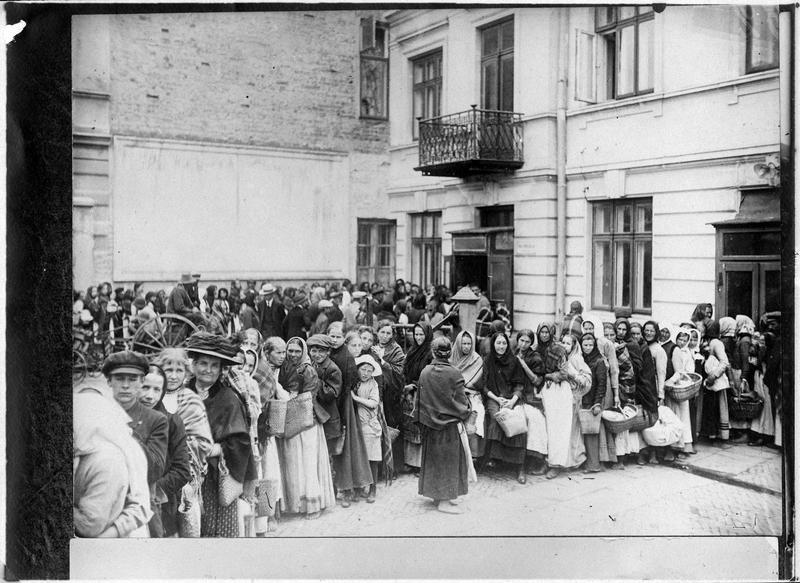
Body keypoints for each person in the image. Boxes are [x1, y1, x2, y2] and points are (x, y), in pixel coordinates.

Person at [185, 333, 256, 537]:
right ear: (194, 365)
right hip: (185, 474)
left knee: (216, 531)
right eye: (203, 363)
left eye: (214, 365)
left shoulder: (228, 399)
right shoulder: (183, 394)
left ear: (221, 369)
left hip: (217, 477)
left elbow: (240, 442)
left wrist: (214, 449)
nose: (208, 370)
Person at [102, 351, 169, 532]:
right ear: (109, 381)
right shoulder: (98, 413)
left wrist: (126, 434)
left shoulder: (156, 420)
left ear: (141, 382)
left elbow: (155, 469)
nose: (125, 385)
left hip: (139, 511)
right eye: (119, 378)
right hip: (101, 507)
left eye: (132, 379)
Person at [152, 347, 213, 537]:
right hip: (158, 475)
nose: (173, 376)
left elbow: (204, 443)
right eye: (168, 370)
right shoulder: (152, 396)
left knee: (184, 529)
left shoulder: (190, 400)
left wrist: (179, 445)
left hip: (185, 476)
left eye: (179, 371)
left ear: (186, 373)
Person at [73, 390, 152, 538]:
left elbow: (141, 508)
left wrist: (102, 540)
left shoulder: (118, 454)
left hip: (118, 535)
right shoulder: (83, 448)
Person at [281, 337, 336, 519]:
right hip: (291, 421)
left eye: (298, 351)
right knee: (294, 464)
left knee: (308, 463)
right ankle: (297, 504)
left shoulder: (308, 370)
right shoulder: (285, 367)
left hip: (306, 421)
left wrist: (290, 399)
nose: (294, 355)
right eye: (290, 351)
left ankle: (313, 505)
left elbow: (309, 396)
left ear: (303, 352)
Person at [417, 336, 473, 514]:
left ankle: (437, 495)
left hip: (431, 426)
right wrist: (467, 411)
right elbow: (461, 402)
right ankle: (445, 501)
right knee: (449, 463)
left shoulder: (425, 372)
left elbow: (420, 401)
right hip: (449, 427)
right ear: (449, 353)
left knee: (435, 462)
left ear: (433, 352)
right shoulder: (454, 373)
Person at [138, 365, 191, 537]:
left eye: (156, 389)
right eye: (145, 387)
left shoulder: (173, 422)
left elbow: (182, 471)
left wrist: (151, 492)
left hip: (161, 507)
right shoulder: (123, 419)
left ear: (162, 392)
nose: (149, 395)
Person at [327, 324, 374, 507]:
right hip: (333, 404)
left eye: (338, 337)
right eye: (332, 336)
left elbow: (350, 381)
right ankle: (340, 487)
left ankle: (349, 488)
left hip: (344, 405)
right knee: (336, 448)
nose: (335, 340)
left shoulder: (346, 358)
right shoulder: (330, 353)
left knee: (347, 446)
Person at [536, 324, 585, 478]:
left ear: (551, 334)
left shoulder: (558, 350)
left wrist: (547, 376)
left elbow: (563, 373)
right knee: (546, 428)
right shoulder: (535, 350)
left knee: (558, 429)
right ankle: (545, 462)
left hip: (559, 391)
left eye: (546, 332)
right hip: (544, 391)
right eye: (541, 332)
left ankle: (556, 465)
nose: (544, 335)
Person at [482, 331, 527, 483]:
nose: (501, 346)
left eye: (504, 343)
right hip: (494, 397)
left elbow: (519, 385)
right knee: (497, 418)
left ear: (508, 344)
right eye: (498, 343)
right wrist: (497, 399)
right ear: (493, 344)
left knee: (518, 422)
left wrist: (512, 401)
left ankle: (520, 466)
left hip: (512, 398)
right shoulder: (488, 361)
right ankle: (496, 459)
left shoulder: (514, 361)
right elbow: (484, 386)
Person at [306, 334, 344, 477]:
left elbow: (332, 394)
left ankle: (331, 491)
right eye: (313, 351)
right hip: (317, 417)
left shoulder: (332, 369)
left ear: (328, 352)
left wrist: (315, 379)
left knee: (328, 458)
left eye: (321, 351)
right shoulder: (313, 365)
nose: (317, 354)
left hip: (329, 419)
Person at [514, 329, 548, 475]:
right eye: (521, 340)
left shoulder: (535, 357)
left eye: (527, 342)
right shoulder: (512, 353)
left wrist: (523, 364)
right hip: (515, 393)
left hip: (530, 395)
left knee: (535, 420)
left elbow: (537, 380)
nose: (523, 344)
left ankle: (537, 459)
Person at [450, 330, 487, 463]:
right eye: (463, 343)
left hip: (472, 395)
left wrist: (463, 387)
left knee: (475, 414)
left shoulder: (477, 360)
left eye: (469, 344)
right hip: (453, 393)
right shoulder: (451, 358)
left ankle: (472, 455)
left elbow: (473, 383)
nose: (466, 347)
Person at [401, 322, 433, 472]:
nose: (419, 337)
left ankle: (421, 463)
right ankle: (410, 461)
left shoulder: (430, 353)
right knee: (409, 424)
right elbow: (405, 369)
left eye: (422, 334)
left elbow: (430, 375)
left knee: (420, 427)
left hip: (423, 393)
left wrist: (414, 385)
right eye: (417, 334)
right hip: (409, 391)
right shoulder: (412, 351)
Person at [351, 355, 383, 503]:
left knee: (372, 459)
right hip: (357, 426)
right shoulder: (355, 383)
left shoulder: (373, 384)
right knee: (358, 458)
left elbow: (373, 403)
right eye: (363, 369)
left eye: (369, 371)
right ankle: (358, 488)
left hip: (370, 426)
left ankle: (373, 489)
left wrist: (356, 398)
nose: (365, 373)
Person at [699, 320, 731, 442]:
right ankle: (706, 433)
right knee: (707, 407)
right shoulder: (703, 341)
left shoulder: (716, 343)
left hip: (713, 380)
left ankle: (713, 434)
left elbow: (724, 362)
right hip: (705, 379)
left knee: (714, 407)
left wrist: (714, 375)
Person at [579, 333, 607, 473]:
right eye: (585, 345)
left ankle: (593, 464)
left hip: (592, 400)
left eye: (590, 345)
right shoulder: (579, 359)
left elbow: (602, 384)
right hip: (581, 399)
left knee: (591, 432)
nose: (588, 348)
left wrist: (597, 403)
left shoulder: (599, 361)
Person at [643, 321, 669, 461]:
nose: (648, 333)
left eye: (651, 331)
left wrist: (660, 394)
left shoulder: (659, 350)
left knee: (654, 421)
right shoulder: (642, 346)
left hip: (653, 388)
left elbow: (661, 373)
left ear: (656, 333)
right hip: (643, 387)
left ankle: (654, 453)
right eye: (646, 330)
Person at [668, 327, 696, 456]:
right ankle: (677, 444)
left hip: (683, 385)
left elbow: (690, 369)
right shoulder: (675, 350)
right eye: (680, 339)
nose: (682, 342)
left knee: (684, 416)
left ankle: (686, 444)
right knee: (676, 414)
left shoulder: (688, 353)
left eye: (685, 340)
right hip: (675, 383)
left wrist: (685, 376)